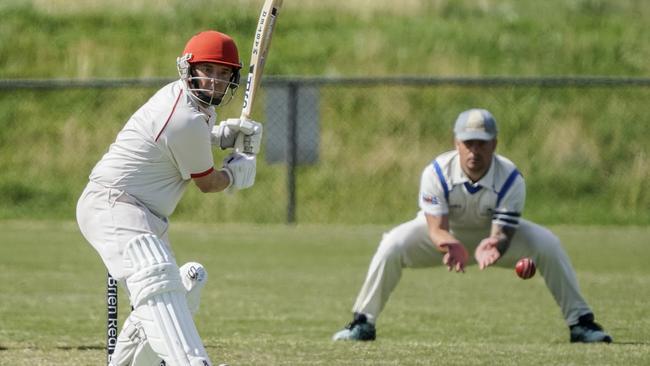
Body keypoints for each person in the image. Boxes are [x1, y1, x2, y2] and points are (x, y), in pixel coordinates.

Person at [332, 108, 612, 344]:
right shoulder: (436, 172)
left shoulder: (511, 178)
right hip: (444, 236)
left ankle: (581, 323)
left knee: (548, 244)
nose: (474, 151)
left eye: (482, 143)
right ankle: (363, 322)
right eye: (468, 143)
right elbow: (435, 227)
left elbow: (503, 232)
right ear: (456, 143)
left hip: (491, 238)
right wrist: (449, 242)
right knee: (392, 244)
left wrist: (495, 244)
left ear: (495, 144)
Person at [76, 30, 263, 366]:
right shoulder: (185, 117)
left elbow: (192, 138)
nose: (215, 82)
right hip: (113, 205)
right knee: (157, 275)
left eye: (223, 74)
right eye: (208, 71)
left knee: (167, 293)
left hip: (146, 214)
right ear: (188, 69)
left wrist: (225, 136)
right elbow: (207, 183)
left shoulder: (192, 105)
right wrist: (236, 173)